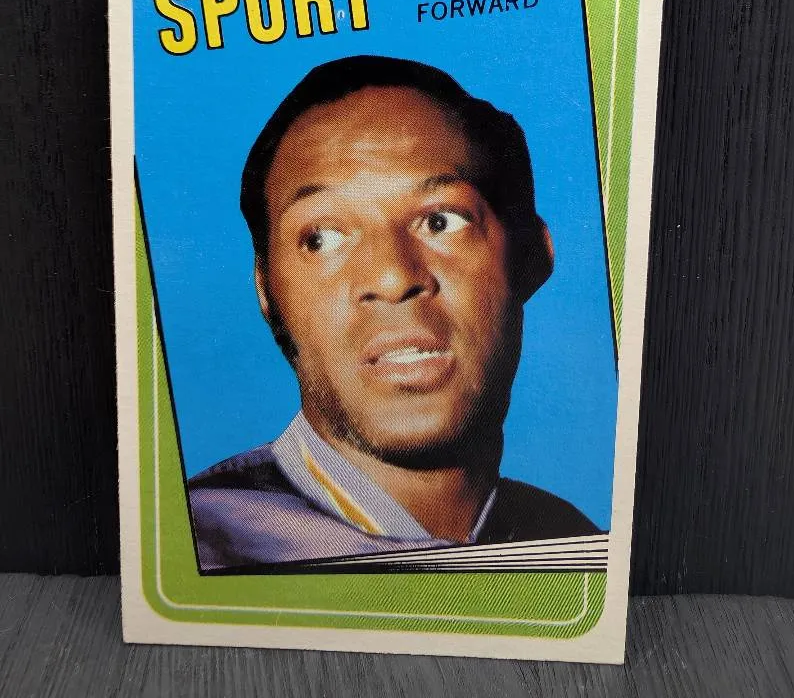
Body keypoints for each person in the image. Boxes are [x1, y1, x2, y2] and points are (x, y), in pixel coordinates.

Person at [188, 55, 599, 571]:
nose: (392, 276)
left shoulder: (573, 546)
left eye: (440, 221)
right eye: (322, 238)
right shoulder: (199, 548)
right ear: (266, 290)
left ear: (531, 257)